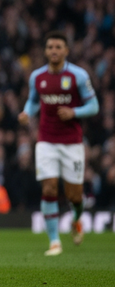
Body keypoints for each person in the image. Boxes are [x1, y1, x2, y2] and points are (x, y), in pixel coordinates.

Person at [18, 31, 99, 256]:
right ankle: (54, 241)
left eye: (58, 47)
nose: (54, 51)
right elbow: (34, 102)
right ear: (45, 51)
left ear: (66, 51)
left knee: (74, 195)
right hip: (46, 141)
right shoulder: (37, 77)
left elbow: (94, 106)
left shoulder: (78, 76)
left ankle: (76, 219)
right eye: (50, 47)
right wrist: (27, 113)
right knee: (49, 188)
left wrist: (74, 112)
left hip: (72, 142)